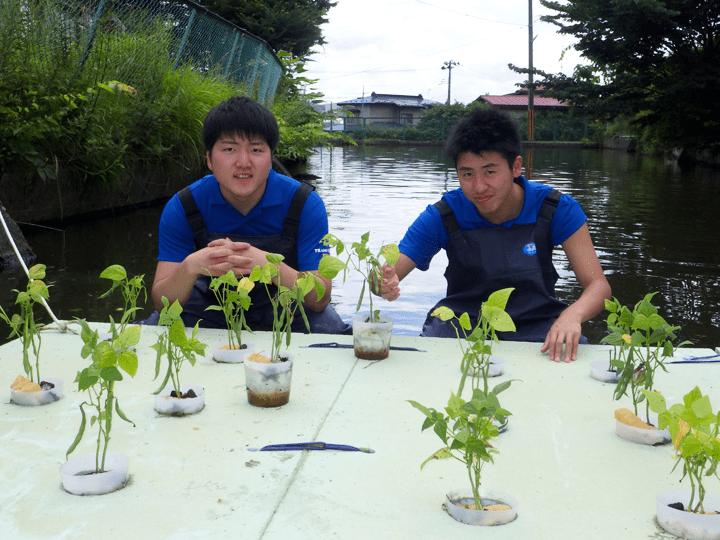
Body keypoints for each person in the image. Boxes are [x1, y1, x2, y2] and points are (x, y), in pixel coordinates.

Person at [376, 108, 611, 362]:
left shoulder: (555, 208)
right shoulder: (443, 215)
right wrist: (381, 282)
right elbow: (389, 272)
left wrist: (572, 315)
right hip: (462, 323)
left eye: (490, 172)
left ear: (516, 166)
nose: (479, 187)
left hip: (538, 323)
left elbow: (598, 286)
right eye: (467, 174)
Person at [150, 96, 349, 334]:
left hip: (286, 307)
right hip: (210, 308)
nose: (243, 162)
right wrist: (191, 266)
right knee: (156, 327)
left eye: (256, 149)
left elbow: (319, 298)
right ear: (209, 159)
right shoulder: (184, 206)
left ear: (270, 158)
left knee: (330, 328)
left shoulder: (305, 204)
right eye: (229, 149)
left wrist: (265, 264)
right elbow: (161, 303)